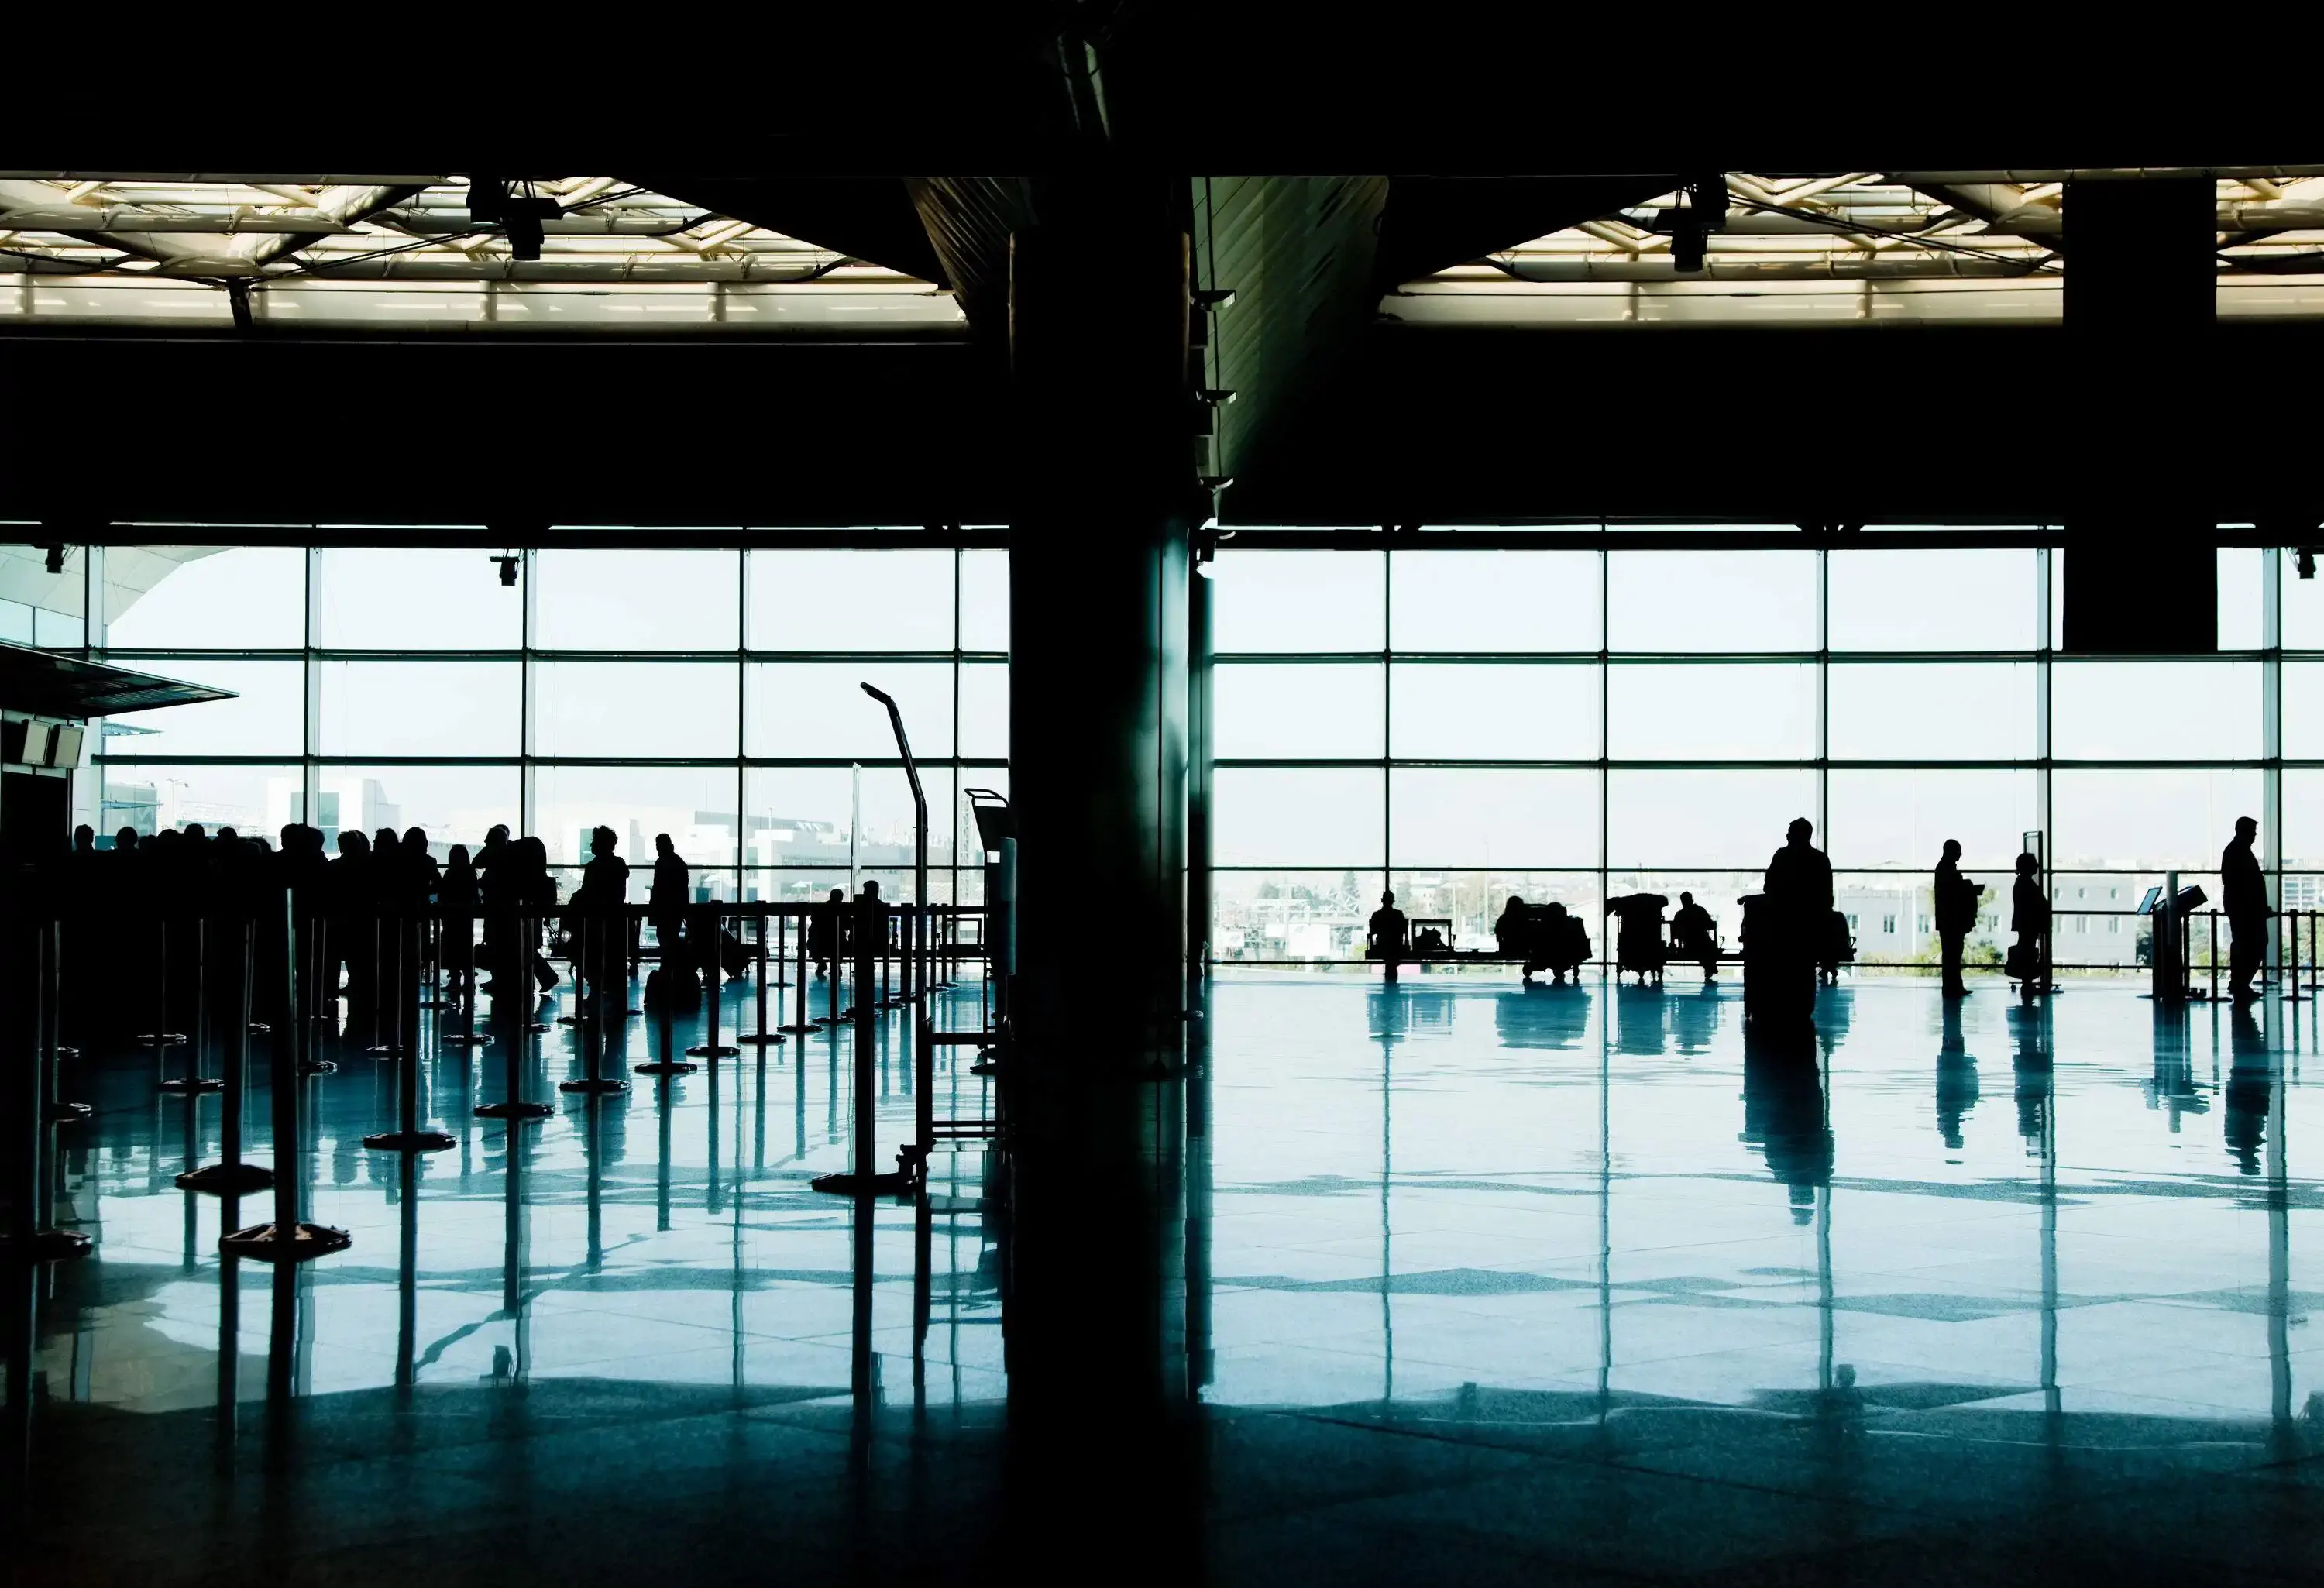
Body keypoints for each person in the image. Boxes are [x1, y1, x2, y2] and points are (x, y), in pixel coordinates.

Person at [1758, 817, 1833, 1030]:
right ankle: (1803, 1009)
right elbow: (1826, 896)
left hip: (1783, 924)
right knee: (1805, 970)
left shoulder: (1782, 857)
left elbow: (1768, 886)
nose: (1787, 835)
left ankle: (1783, 1009)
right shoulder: (1819, 860)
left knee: (1783, 969)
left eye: (1790, 831)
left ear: (1799, 834)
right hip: (1808, 926)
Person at [2223, 816, 2272, 1002]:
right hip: (2246, 911)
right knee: (2252, 944)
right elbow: (2244, 885)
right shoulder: (2239, 851)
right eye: (2253, 831)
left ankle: (2240, 982)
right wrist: (2256, 908)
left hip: (2244, 909)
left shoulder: (2236, 850)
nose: (2255, 835)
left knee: (2246, 944)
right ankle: (2241, 983)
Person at [1933, 840, 1985, 999]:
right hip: (1952, 920)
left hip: (1948, 920)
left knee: (1952, 955)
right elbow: (1954, 893)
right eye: (1959, 851)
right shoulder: (1947, 870)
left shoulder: (1944, 869)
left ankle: (1953, 986)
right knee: (1953, 955)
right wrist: (1969, 887)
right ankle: (1953, 987)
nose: (1961, 854)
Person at [440, 843, 480, 993]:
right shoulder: (470, 873)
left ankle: (455, 979)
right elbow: (475, 895)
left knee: (452, 948)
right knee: (466, 948)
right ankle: (469, 981)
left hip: (451, 917)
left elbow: (443, 895)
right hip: (466, 917)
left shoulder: (449, 874)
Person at [2009, 851, 2050, 995]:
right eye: (2034, 863)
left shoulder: (2022, 882)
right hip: (2029, 924)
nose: (2037, 866)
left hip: (2026, 923)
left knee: (2026, 951)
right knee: (2027, 952)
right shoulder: (2026, 883)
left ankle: (2028, 983)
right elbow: (2033, 904)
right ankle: (2027, 984)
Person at [649, 833, 690, 966]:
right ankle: (672, 965)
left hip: (664, 908)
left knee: (663, 936)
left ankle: (668, 965)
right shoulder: (679, 862)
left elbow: (658, 887)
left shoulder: (662, 862)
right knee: (671, 937)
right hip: (676, 908)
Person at [1670, 891, 1719, 981]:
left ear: (1682, 902)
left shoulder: (1679, 915)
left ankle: (1709, 967)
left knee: (1704, 949)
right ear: (1692, 900)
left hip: (1689, 945)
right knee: (1708, 948)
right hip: (1704, 944)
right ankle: (1710, 967)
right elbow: (1711, 926)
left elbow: (1675, 933)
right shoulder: (1700, 911)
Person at [1367, 890, 1409, 981]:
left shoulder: (1377, 915)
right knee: (1392, 958)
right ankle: (1392, 974)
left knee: (1389, 956)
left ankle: (1389, 975)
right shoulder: (1398, 914)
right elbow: (1403, 931)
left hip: (1382, 945)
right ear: (1392, 901)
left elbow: (1372, 932)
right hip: (1396, 946)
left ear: (1382, 900)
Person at [810, 886, 846, 978]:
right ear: (841, 899)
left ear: (830, 897)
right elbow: (848, 926)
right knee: (838, 941)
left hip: (821, 943)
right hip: (838, 944)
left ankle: (822, 963)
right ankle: (836, 966)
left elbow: (813, 920)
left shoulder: (821, 909)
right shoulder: (842, 910)